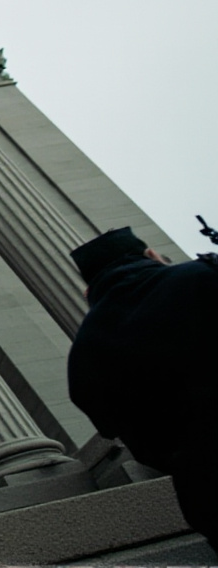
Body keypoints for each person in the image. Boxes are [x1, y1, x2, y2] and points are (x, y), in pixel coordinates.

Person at [68, 226, 217, 545]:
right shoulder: (204, 274)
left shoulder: (83, 356)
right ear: (151, 255)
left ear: (88, 292)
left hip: (206, 485)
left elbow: (117, 430)